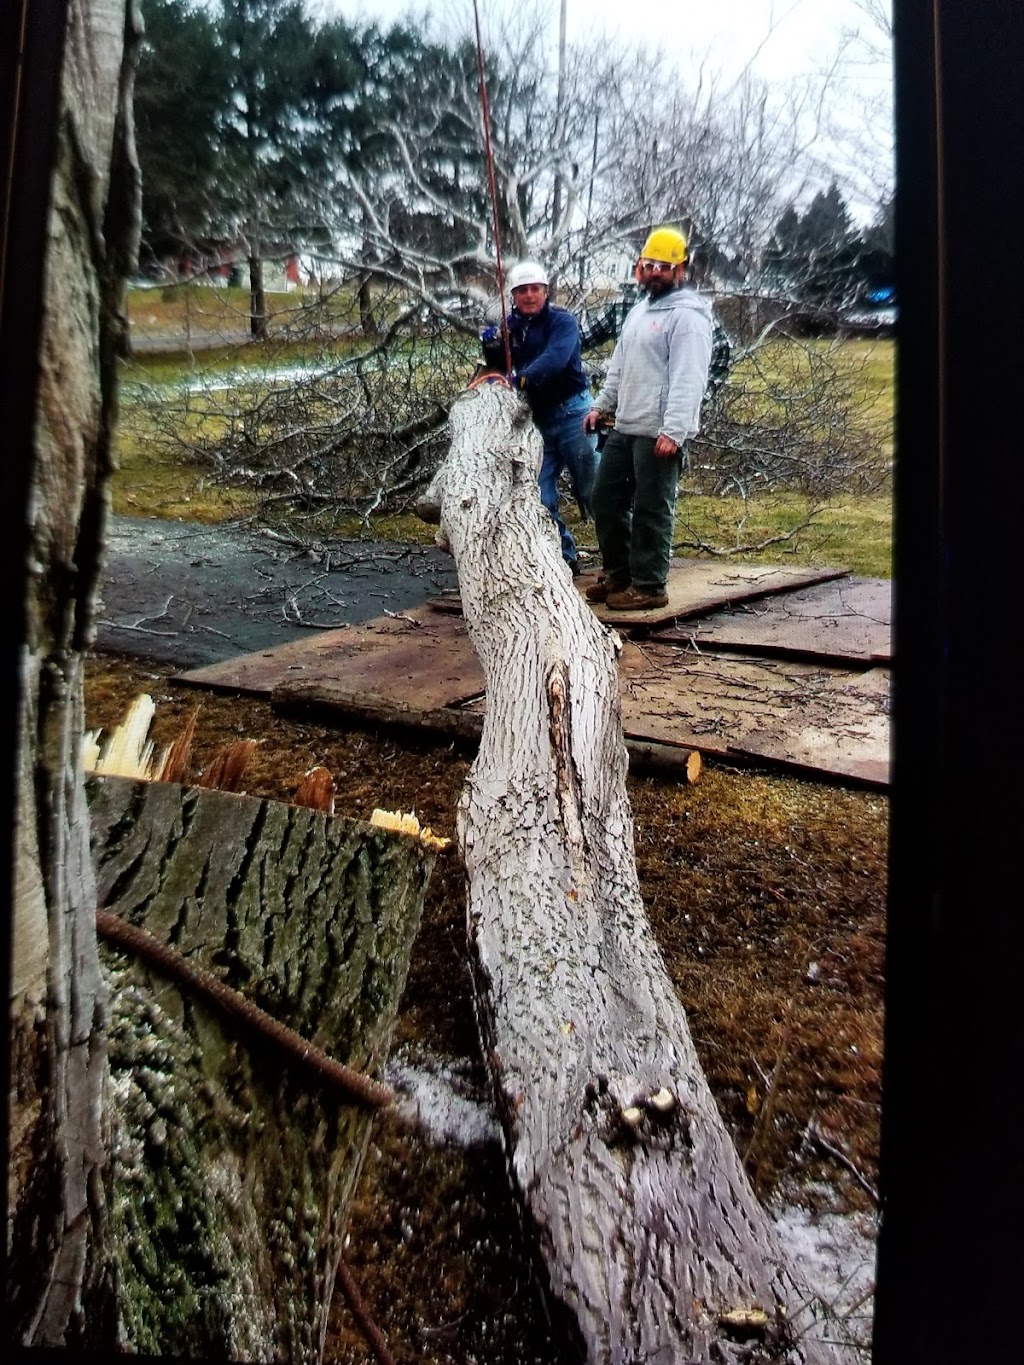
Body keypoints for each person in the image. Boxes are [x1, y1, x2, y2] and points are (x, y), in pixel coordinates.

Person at [582, 227, 713, 611]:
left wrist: (674, 429)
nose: (655, 272)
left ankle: (649, 586)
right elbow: (619, 367)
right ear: (640, 266)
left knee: (652, 508)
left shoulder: (687, 317)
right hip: (626, 424)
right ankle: (619, 575)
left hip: (658, 432)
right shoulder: (640, 311)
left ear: (681, 269)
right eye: (649, 264)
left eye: (664, 266)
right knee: (604, 498)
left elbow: (689, 377)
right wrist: (600, 406)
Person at [480, 261, 598, 574]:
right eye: (522, 290)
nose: (529, 295)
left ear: (545, 292)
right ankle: (563, 557)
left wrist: (521, 378)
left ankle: (621, 564)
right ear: (514, 295)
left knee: (593, 490)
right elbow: (499, 367)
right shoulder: (510, 326)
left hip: (575, 413)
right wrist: (492, 346)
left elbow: (555, 359)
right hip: (537, 420)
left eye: (535, 289)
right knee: (538, 493)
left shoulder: (563, 322)